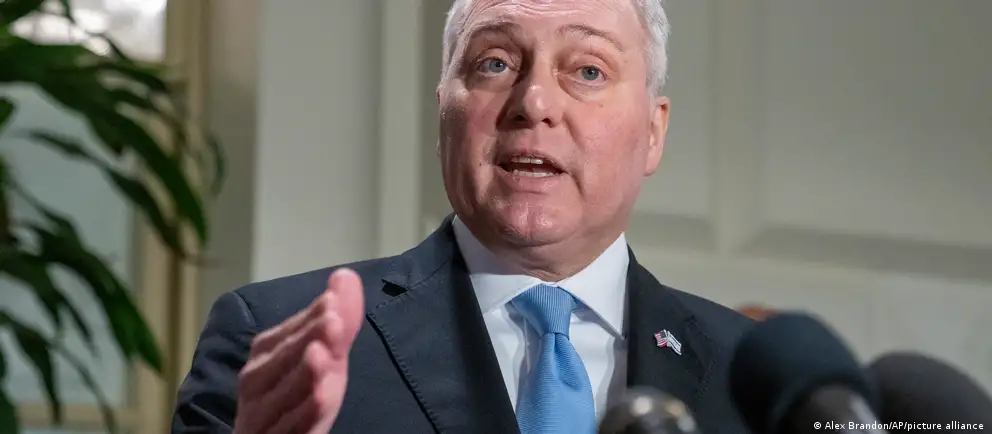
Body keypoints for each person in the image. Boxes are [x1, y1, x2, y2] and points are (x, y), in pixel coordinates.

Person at [172, 0, 754, 433]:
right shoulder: (275, 342)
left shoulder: (754, 378)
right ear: (443, 113)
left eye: (587, 71)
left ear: (653, 132)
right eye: (495, 63)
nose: (534, 103)